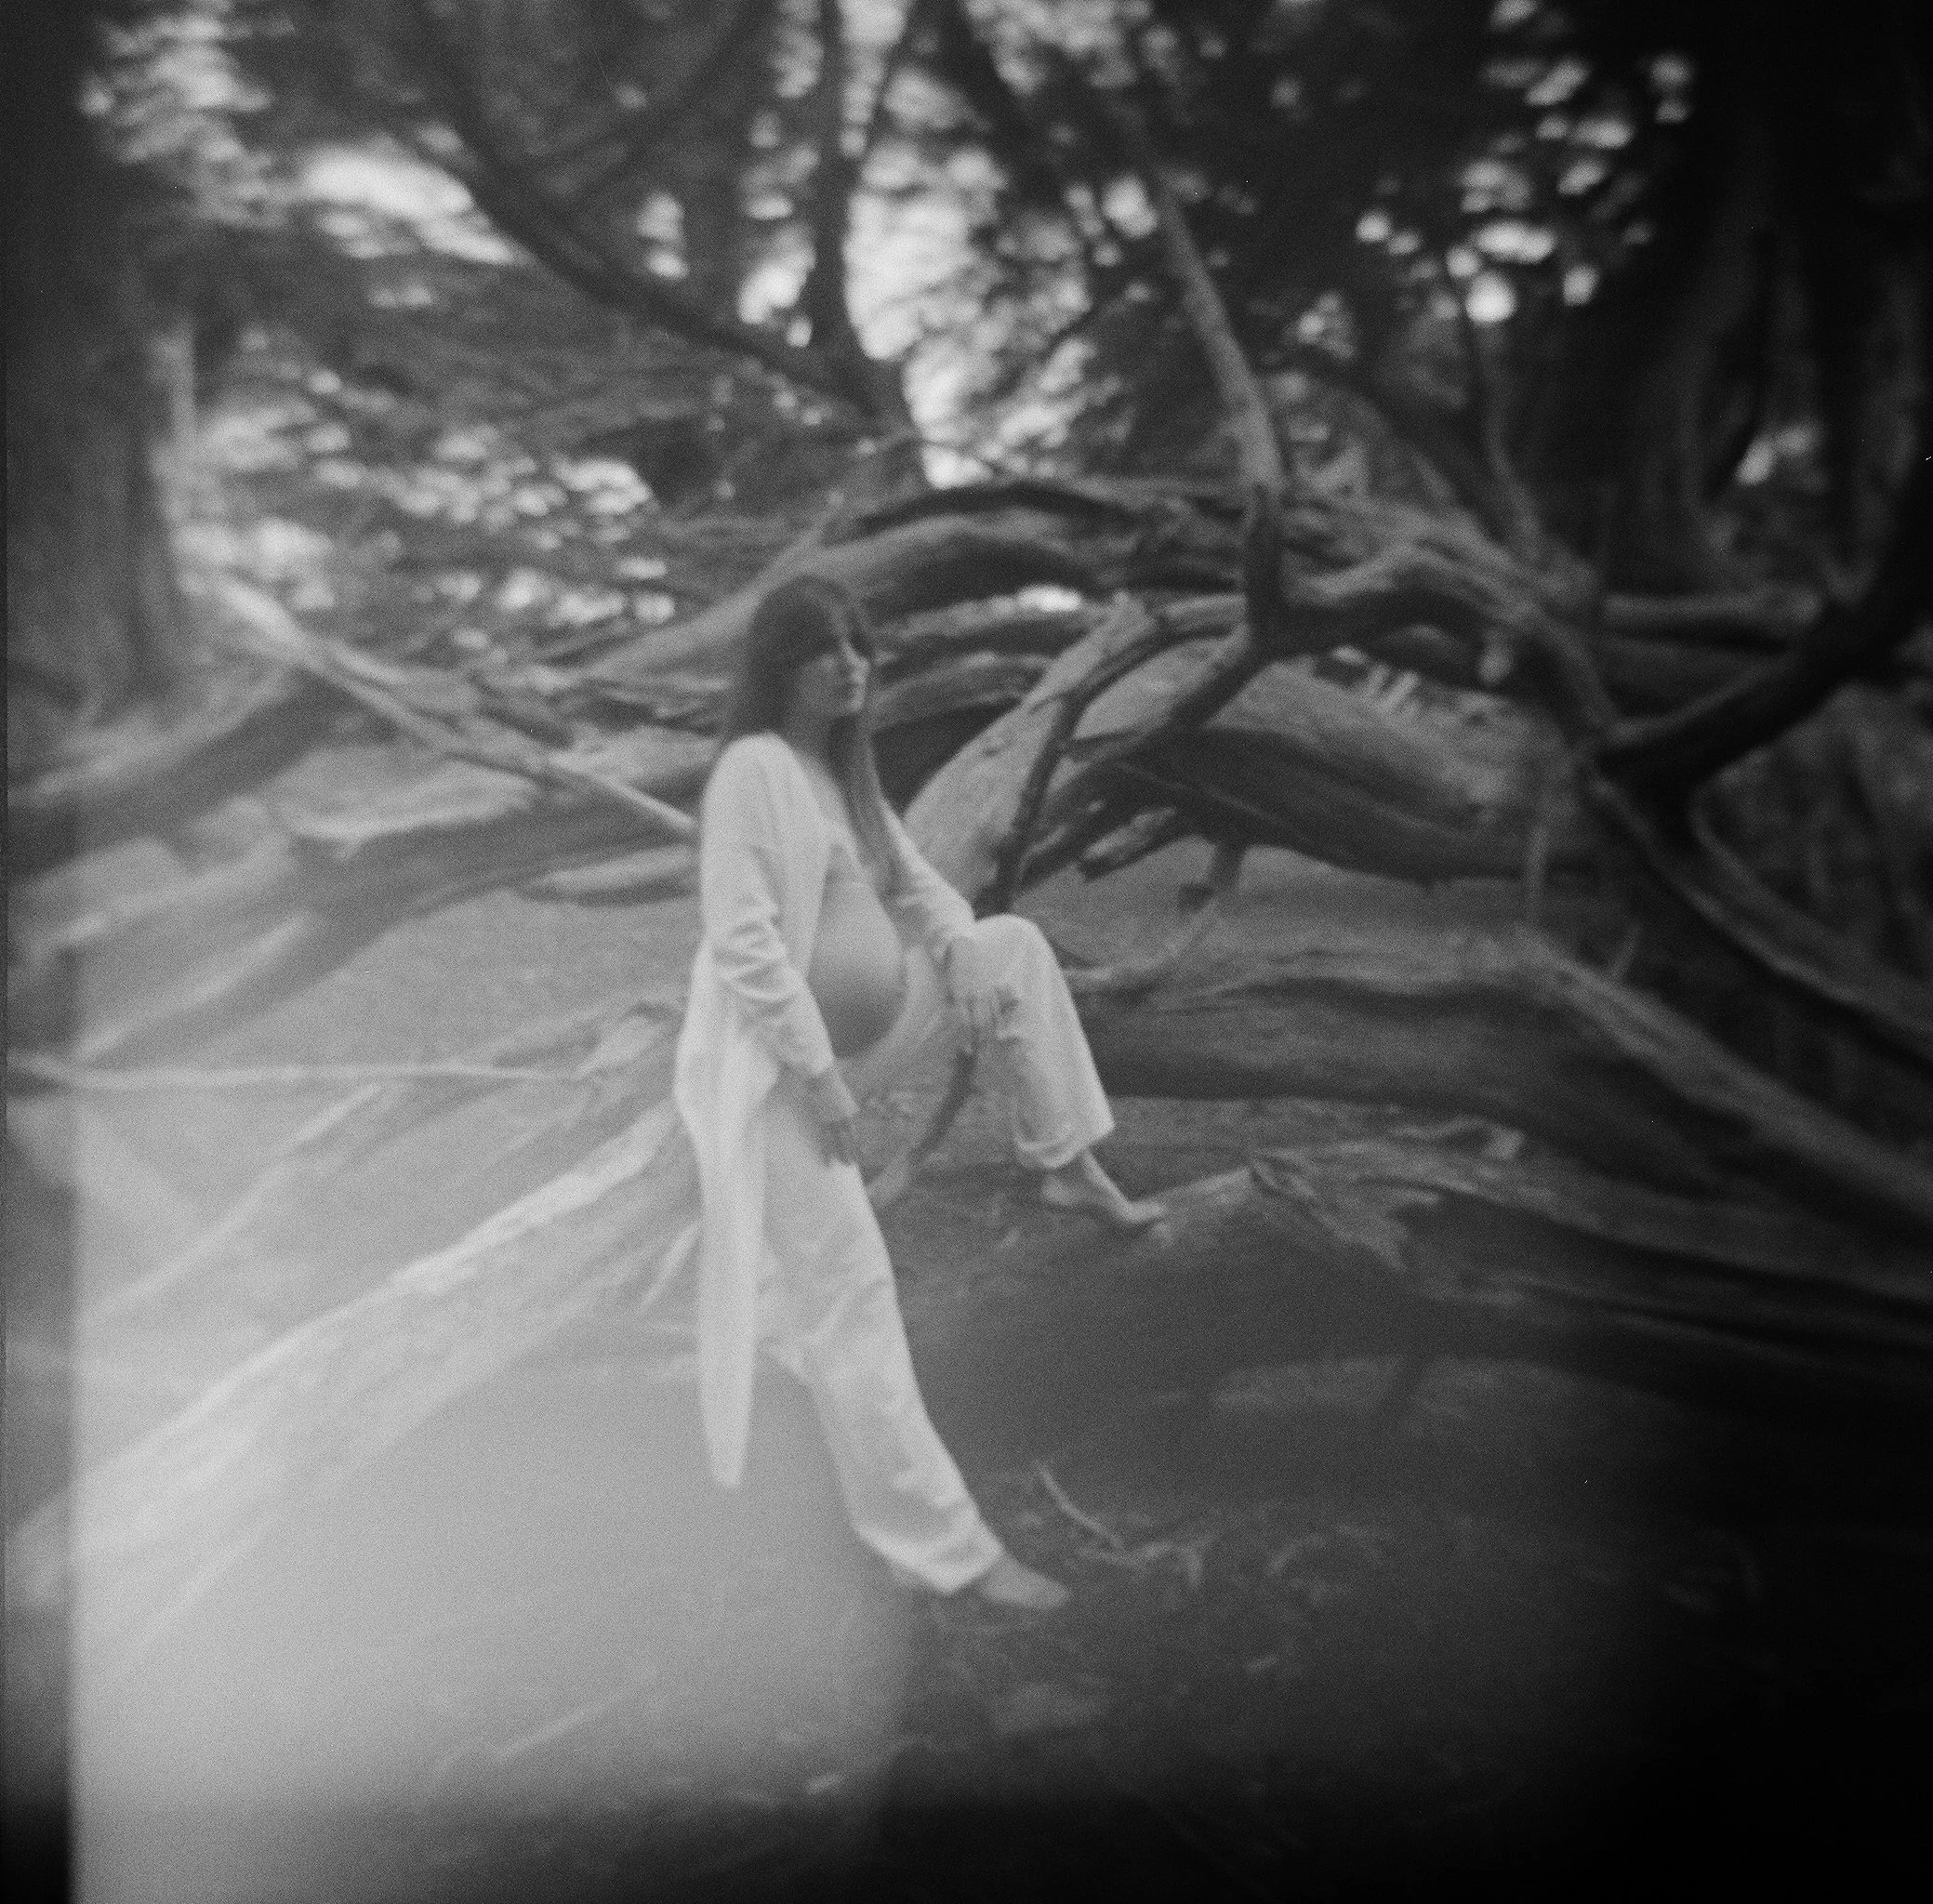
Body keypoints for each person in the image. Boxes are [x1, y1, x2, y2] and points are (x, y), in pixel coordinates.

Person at [672, 575, 1165, 1613]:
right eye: (824, 648)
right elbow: (745, 939)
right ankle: (943, 1549)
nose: (850, 663)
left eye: (859, 642)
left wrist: (957, 950)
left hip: (860, 1048)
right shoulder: (753, 770)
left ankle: (1067, 1162)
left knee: (1012, 944)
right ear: (780, 664)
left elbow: (917, 879)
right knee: (851, 1291)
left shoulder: (838, 769)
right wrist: (815, 1077)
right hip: (780, 1077)